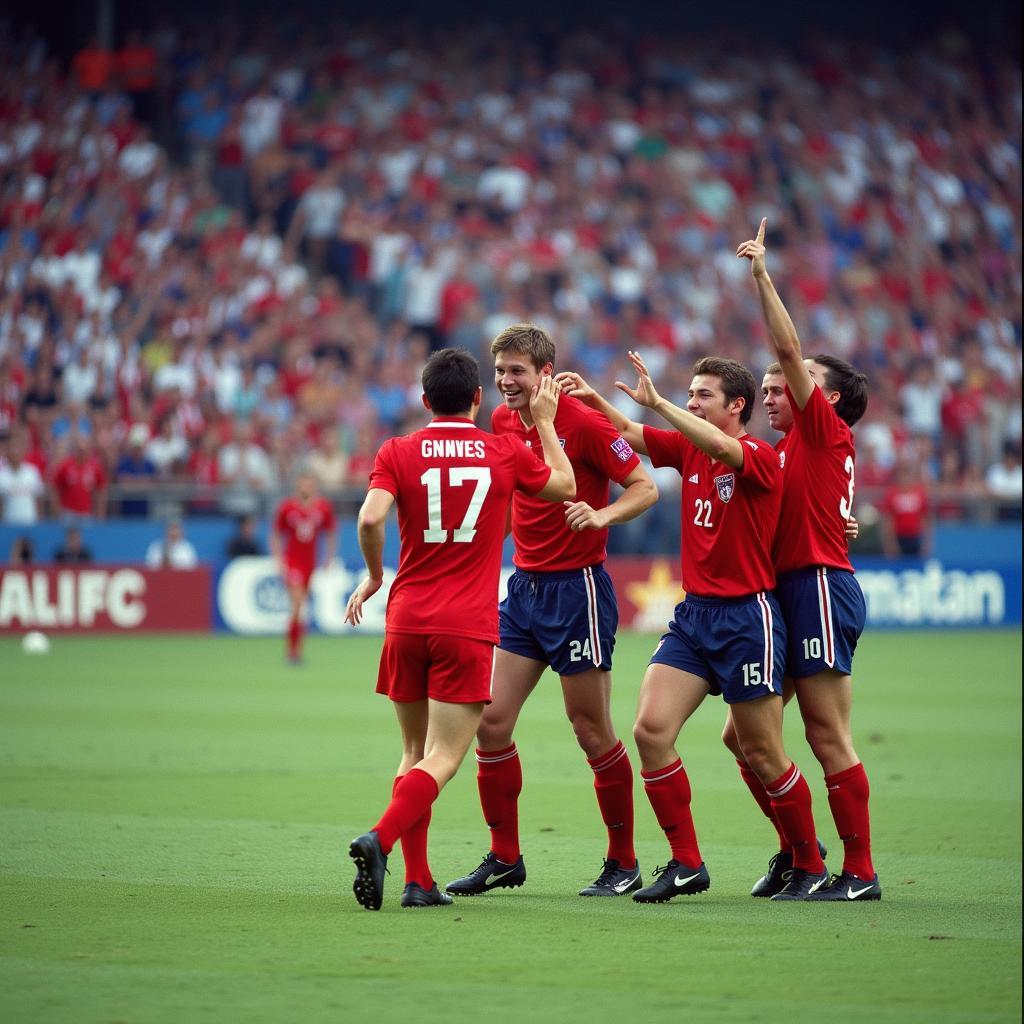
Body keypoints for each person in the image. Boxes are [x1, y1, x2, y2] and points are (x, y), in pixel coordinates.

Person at [559, 351, 826, 901]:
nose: (691, 401)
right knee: (650, 731)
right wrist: (593, 400)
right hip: (695, 617)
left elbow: (720, 447)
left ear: (737, 406)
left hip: (748, 619)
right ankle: (686, 863)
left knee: (763, 752)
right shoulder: (687, 447)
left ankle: (810, 861)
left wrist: (660, 405)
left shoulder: (757, 454)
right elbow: (632, 433)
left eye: (703, 395)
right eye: (690, 394)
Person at [343, 348, 576, 911]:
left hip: (406, 618)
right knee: (445, 756)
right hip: (465, 624)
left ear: (425, 401)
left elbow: (371, 517)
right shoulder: (501, 452)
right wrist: (544, 422)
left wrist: (375, 576)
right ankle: (381, 836)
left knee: (413, 750)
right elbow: (565, 486)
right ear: (478, 398)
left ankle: (418, 881)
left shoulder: (397, 450)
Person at [446, 324, 657, 900]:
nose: (505, 382)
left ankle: (624, 861)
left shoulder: (585, 422)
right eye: (499, 372)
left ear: (545, 372)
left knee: (590, 729)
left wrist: (603, 517)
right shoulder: (499, 421)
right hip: (526, 591)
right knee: (490, 722)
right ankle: (505, 857)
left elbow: (644, 486)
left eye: (516, 371)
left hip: (578, 592)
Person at [729, 218, 879, 901]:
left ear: (828, 397)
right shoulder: (784, 451)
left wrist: (761, 274)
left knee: (824, 735)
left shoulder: (824, 428)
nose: (770, 389)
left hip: (816, 586)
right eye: (763, 385)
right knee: (741, 737)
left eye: (787, 381)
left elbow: (788, 348)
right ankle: (800, 852)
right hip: (780, 593)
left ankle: (860, 872)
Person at [270, 472, 337, 664]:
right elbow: (276, 534)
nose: (306, 487)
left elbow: (331, 532)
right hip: (292, 562)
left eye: (309, 484)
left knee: (301, 607)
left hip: (310, 564)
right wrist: (278, 559)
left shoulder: (322, 507)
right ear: (298, 486)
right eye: (303, 484)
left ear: (314, 486)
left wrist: (329, 558)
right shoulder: (287, 507)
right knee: (298, 603)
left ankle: (296, 649)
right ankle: (293, 652)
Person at [0, 431, 45, 524]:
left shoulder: (32, 472)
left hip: (30, 523)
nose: (15, 451)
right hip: (9, 524)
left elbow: (39, 499)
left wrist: (39, 521)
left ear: (23, 451)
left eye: (18, 448)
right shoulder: (2, 474)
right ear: (7, 450)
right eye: (12, 447)